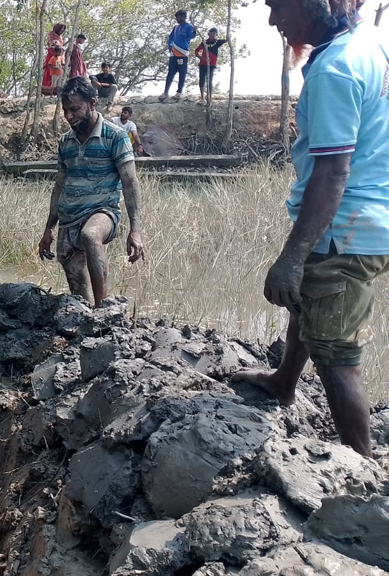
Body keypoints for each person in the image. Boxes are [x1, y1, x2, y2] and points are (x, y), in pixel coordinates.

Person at [233, 0, 388, 458]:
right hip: (373, 218)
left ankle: (362, 476)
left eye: (278, 6)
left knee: (336, 355)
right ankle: (283, 383)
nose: (273, 20)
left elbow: (332, 173)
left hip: (345, 229)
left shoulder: (333, 69)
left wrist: (292, 256)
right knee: (307, 302)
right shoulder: (371, 44)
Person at [38, 77, 145, 308]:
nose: (69, 116)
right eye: (66, 110)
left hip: (102, 212)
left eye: (75, 109)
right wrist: (49, 228)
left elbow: (130, 182)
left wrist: (135, 230)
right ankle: (90, 323)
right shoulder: (66, 143)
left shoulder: (115, 137)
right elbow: (59, 187)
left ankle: (105, 309)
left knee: (90, 235)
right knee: (78, 292)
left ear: (93, 103)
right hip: (69, 218)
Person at [161, 10, 196, 101]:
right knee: (170, 73)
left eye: (178, 17)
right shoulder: (176, 27)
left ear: (183, 16)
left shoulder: (188, 27)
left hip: (183, 53)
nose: (177, 19)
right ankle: (165, 92)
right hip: (173, 52)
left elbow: (191, 36)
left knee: (182, 73)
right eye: (176, 17)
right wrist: (170, 45)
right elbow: (171, 37)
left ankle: (179, 92)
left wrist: (195, 31)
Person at [194, 28, 228, 104]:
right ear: (208, 34)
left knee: (210, 80)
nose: (212, 35)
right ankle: (202, 97)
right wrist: (201, 57)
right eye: (211, 33)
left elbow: (227, 40)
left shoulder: (218, 42)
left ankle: (209, 97)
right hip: (203, 64)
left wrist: (228, 36)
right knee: (201, 80)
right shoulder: (204, 42)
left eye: (214, 33)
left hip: (211, 65)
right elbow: (196, 51)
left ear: (216, 35)